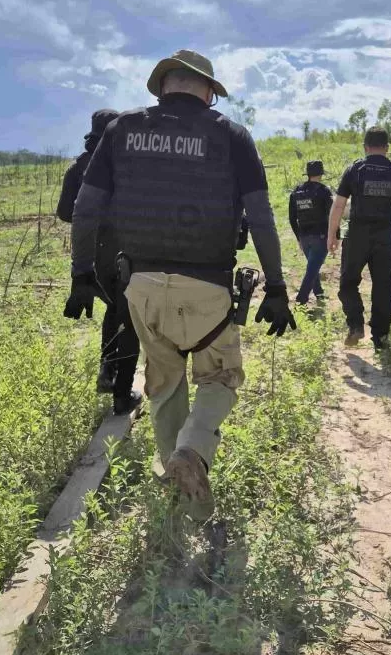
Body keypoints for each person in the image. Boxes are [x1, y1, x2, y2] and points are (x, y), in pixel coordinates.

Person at [65, 49, 295, 516]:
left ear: (163, 85)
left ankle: (178, 492)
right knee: (221, 377)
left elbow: (86, 210)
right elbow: (262, 219)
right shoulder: (231, 134)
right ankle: (191, 452)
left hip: (141, 288)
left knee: (164, 383)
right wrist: (276, 287)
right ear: (208, 91)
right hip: (208, 288)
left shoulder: (121, 130)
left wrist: (82, 275)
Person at [58, 109, 141, 415]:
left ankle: (107, 371)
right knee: (129, 317)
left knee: (113, 310)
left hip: (90, 254)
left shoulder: (77, 167)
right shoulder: (122, 163)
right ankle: (122, 394)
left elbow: (66, 213)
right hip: (120, 251)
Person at [327, 127, 391, 351]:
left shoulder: (356, 169)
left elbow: (338, 205)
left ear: (365, 147)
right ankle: (381, 337)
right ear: (387, 148)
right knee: (384, 286)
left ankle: (355, 325)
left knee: (347, 283)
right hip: (384, 236)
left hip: (357, 235)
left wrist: (332, 235)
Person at [288, 160, 333, 305]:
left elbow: (292, 218)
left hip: (304, 236)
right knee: (312, 270)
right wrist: (336, 236)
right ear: (321, 174)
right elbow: (332, 215)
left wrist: (298, 238)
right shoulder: (324, 191)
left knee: (313, 266)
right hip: (320, 236)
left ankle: (319, 293)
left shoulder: (296, 192)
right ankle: (301, 300)